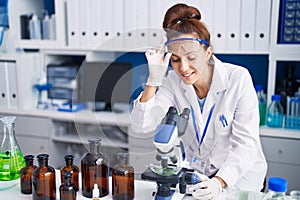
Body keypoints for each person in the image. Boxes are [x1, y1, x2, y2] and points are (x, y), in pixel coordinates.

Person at [130, 3, 267, 200]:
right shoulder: (172, 82)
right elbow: (141, 125)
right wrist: (154, 79)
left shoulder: (238, 78)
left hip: (239, 178)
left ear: (208, 52)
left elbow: (246, 146)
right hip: (199, 174)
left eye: (191, 57)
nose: (184, 68)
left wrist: (219, 182)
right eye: (175, 59)